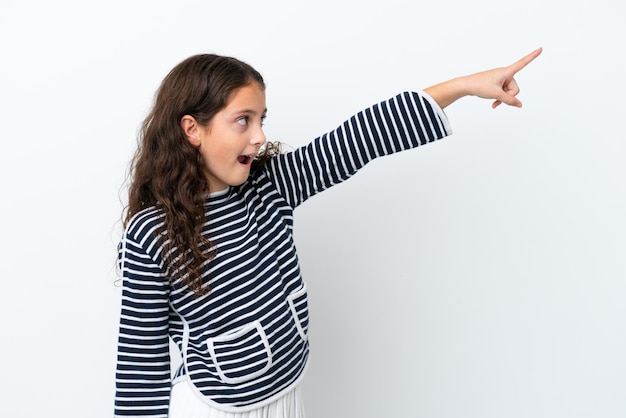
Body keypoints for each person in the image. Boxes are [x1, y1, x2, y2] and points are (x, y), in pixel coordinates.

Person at [114, 47, 542, 418]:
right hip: (213, 407)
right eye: (242, 121)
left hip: (286, 399)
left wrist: (465, 86)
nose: (260, 136)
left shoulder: (271, 188)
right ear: (192, 129)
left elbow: (360, 138)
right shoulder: (152, 232)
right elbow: (140, 364)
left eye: (261, 118)